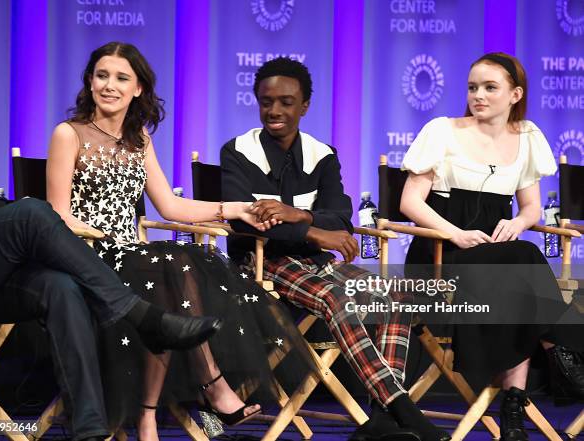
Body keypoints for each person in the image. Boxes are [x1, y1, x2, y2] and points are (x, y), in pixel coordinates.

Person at [46, 42, 310, 441]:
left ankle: (150, 416)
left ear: (138, 89)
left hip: (132, 256)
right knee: (172, 267)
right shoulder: (69, 134)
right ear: (89, 81)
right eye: (102, 75)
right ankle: (212, 387)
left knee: (172, 275)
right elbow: (57, 215)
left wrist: (235, 209)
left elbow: (170, 206)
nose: (110, 85)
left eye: (121, 78)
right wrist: (98, 237)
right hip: (86, 255)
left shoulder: (139, 140)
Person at [220, 57, 450, 441]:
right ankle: (404, 409)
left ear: (305, 105)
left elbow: (341, 220)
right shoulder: (238, 151)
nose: (274, 110)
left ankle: (380, 419)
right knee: (337, 299)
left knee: (395, 296)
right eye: (266, 101)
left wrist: (297, 216)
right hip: (262, 263)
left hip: (315, 263)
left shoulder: (322, 154)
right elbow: (245, 225)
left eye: (286, 102)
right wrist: (314, 233)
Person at [0, 138, 221, 441]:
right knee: (32, 213)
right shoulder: (69, 135)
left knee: (60, 286)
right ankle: (145, 319)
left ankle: (89, 430)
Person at [400, 52, 584, 441]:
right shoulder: (442, 131)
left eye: (489, 87)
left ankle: (513, 405)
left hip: (498, 255)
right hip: (442, 251)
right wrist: (455, 234)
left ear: (515, 94)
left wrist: (518, 221)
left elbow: (531, 205)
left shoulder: (528, 136)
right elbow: (410, 203)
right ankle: (561, 350)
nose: (477, 95)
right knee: (524, 260)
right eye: (472, 87)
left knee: (517, 273)